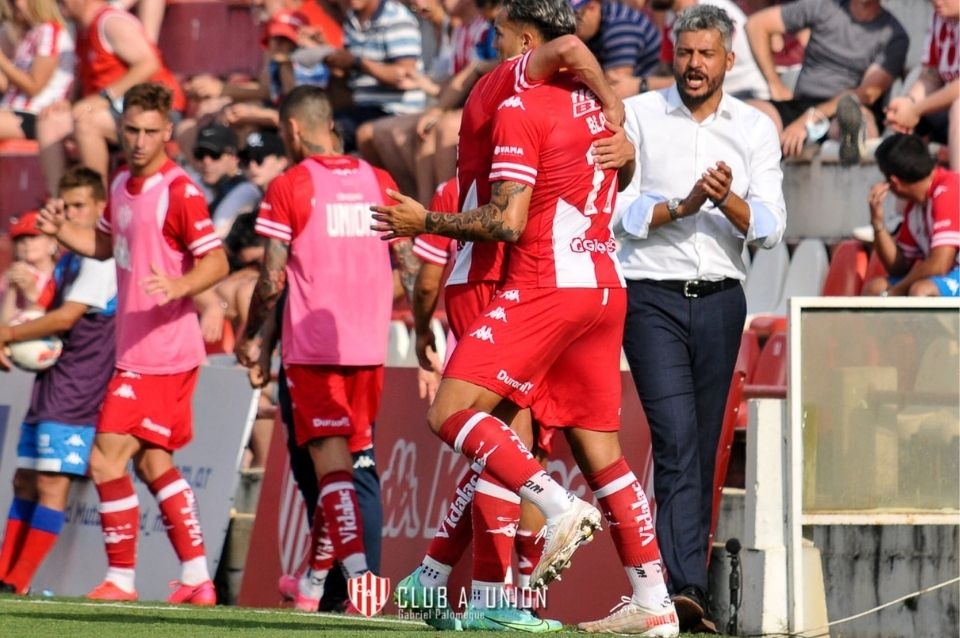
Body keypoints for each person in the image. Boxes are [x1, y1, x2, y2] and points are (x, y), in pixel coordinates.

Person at [373, 0, 681, 633]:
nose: (491, 48)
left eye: (499, 35)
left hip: (519, 278)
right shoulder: (589, 109)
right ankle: (649, 600)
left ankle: (484, 580)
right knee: (577, 450)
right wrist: (618, 122)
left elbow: (508, 219)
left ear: (524, 42)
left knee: (484, 430)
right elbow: (619, 177)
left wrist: (424, 222)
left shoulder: (515, 93)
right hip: (597, 283)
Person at [614, 5, 786, 632]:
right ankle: (680, 586)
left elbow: (771, 225)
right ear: (673, 54)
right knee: (676, 439)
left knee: (703, 442)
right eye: (685, 52)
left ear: (728, 60)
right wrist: (680, 208)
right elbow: (617, 210)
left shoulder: (755, 126)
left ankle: (682, 588)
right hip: (650, 296)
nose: (694, 65)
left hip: (721, 299)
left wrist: (725, 200)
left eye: (706, 54)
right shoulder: (638, 114)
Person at [36, 82, 229, 603]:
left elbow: (216, 261)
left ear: (167, 132)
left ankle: (121, 580)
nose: (140, 141)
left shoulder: (180, 192)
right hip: (138, 348)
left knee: (105, 459)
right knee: (152, 464)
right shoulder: (121, 183)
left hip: (163, 351)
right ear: (120, 130)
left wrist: (180, 287)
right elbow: (104, 244)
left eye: (150, 131)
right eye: (131, 130)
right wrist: (60, 232)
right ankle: (196, 577)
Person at [234, 84, 408, 615]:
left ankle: (361, 585)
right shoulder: (380, 180)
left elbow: (271, 280)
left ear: (292, 129)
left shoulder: (290, 184)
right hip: (369, 347)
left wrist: (251, 336)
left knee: (330, 472)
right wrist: (424, 331)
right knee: (353, 465)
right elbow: (412, 266)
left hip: (313, 349)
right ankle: (314, 583)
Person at [0, 167, 116, 596]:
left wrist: (7, 334)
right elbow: (43, 310)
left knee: (51, 483)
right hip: (52, 384)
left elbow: (65, 318)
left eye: (80, 206)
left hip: (80, 388)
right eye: (65, 206)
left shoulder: (99, 261)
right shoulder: (68, 258)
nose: (70, 214)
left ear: (101, 208)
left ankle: (18, 583)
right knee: (24, 480)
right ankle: (3, 574)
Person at [36, 0, 185, 193]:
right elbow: (87, 78)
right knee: (50, 120)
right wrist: (68, 103)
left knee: (87, 121)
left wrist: (104, 98)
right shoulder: (83, 30)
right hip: (114, 110)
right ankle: (60, 200)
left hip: (154, 108)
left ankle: (96, 201)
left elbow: (149, 64)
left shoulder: (111, 22)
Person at [745, 0, 908, 164]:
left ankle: (851, 136)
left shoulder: (894, 36)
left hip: (847, 107)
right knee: (747, 116)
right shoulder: (824, 6)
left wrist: (810, 119)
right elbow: (756, 24)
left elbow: (867, 93)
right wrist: (775, 84)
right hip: (801, 105)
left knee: (853, 118)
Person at [861, 133, 959, 297]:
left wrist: (895, 292)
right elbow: (899, 267)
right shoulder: (916, 205)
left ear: (894, 182)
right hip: (949, 275)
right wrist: (877, 223)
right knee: (876, 288)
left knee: (922, 291)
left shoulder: (949, 190)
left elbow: (940, 264)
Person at [884, 0, 959, 170]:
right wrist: (908, 104)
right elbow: (930, 76)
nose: (935, 1)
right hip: (946, 110)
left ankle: (956, 184)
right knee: (903, 112)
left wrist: (915, 110)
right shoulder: (940, 16)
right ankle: (904, 182)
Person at [0, 0, 76, 142]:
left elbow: (34, 86)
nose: (10, 7)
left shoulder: (50, 31)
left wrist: (3, 62)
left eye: (14, 2)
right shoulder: (29, 34)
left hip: (36, 115)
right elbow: (6, 84)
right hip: (10, 110)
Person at [570, 0, 662, 98]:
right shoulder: (601, 17)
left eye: (575, 18)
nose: (570, 26)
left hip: (654, 93)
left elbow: (615, 88)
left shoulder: (619, 27)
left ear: (592, 7)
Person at [1, 211, 59, 325]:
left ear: (52, 242)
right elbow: (3, 325)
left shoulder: (63, 273)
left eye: (33, 236)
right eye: (20, 239)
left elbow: (60, 321)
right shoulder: (7, 278)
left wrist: (31, 292)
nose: (26, 242)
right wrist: (11, 289)